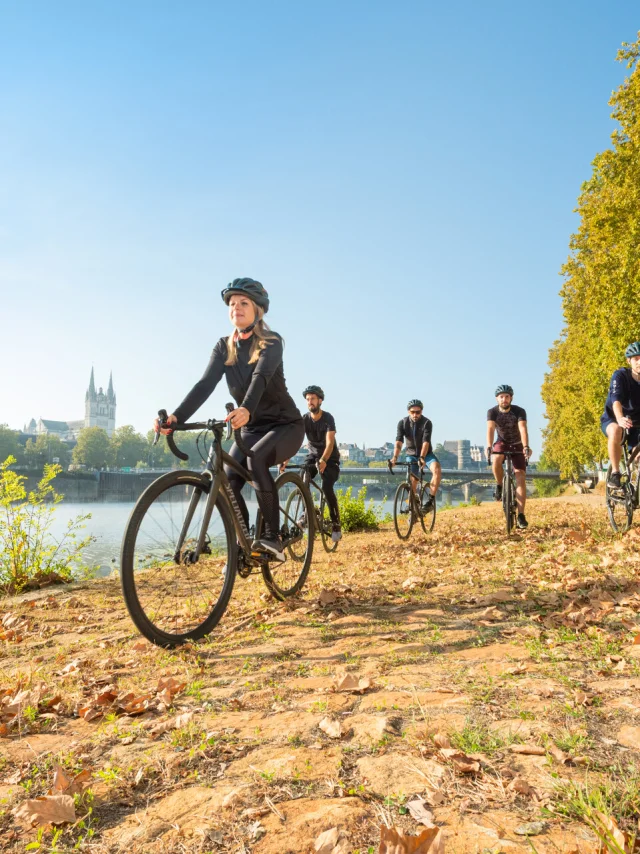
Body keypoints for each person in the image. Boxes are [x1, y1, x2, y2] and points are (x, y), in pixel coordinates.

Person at [156, 278, 304, 561]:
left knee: (256, 459)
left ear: (258, 309)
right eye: (232, 303)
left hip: (285, 426)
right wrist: (176, 417)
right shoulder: (224, 347)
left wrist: (246, 408)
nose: (236, 307)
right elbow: (204, 385)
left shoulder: (271, 342)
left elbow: (260, 379)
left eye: (244, 303)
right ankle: (245, 542)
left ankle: (272, 537)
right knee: (230, 478)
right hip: (249, 428)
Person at [281, 385, 342, 542]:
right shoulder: (304, 420)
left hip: (331, 458)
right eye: (308, 399)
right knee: (303, 480)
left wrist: (324, 460)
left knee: (327, 487)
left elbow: (330, 443)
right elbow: (296, 441)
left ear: (320, 400)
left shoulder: (328, 418)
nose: (310, 402)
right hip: (313, 456)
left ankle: (336, 523)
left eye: (313, 399)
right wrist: (285, 458)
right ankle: (306, 513)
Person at [486, 385, 532, 529]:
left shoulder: (519, 411)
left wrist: (525, 446)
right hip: (502, 442)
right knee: (496, 459)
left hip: (517, 444)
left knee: (520, 477)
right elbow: (490, 428)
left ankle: (521, 515)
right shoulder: (492, 412)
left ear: (511, 398)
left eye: (507, 397)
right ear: (497, 399)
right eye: (501, 397)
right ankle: (500, 485)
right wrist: (489, 446)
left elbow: (523, 428)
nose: (504, 399)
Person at [600, 341, 640, 488]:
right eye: (636, 358)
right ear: (629, 361)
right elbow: (616, 401)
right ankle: (616, 473)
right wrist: (619, 418)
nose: (639, 362)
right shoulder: (620, 376)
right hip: (614, 418)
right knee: (616, 430)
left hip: (636, 422)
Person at [390, 399, 442, 510]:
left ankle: (430, 502)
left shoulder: (427, 423)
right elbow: (399, 441)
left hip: (426, 454)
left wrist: (422, 457)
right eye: (412, 412)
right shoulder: (403, 423)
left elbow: (425, 442)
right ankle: (412, 506)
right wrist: (395, 457)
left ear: (421, 411)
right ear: (408, 412)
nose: (415, 415)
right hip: (411, 454)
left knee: (437, 469)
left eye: (418, 412)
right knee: (413, 480)